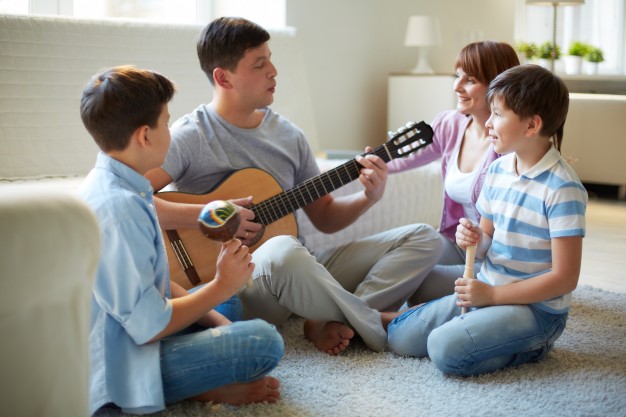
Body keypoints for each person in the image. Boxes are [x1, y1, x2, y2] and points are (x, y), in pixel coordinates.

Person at [145, 17, 442, 355]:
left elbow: (325, 217)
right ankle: (376, 322)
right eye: (260, 64)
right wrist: (213, 214)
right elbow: (132, 198)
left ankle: (331, 319)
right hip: (238, 284)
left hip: (300, 267)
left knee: (424, 237)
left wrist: (367, 198)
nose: (274, 71)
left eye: (271, 59)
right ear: (223, 77)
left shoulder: (288, 135)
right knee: (284, 250)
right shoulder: (191, 135)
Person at [78, 65, 284, 415]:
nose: (171, 132)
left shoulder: (119, 184)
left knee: (227, 310)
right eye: (166, 122)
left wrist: (220, 318)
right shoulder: (121, 210)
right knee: (263, 342)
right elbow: (148, 327)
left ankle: (203, 376)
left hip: (129, 328)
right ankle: (204, 388)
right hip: (122, 365)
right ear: (145, 136)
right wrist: (221, 284)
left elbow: (156, 283)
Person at [387, 64, 588, 377]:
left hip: (537, 311)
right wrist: (475, 240)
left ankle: (533, 346)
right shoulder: (498, 171)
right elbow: (485, 246)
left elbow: (565, 278)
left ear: (532, 125)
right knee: (400, 338)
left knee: (443, 349)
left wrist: (493, 296)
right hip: (491, 287)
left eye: (497, 114)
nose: (489, 123)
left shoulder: (562, 188)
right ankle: (476, 327)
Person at [387, 41, 520, 305]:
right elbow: (406, 159)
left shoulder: (511, 144)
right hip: (457, 244)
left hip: (497, 259)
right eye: (457, 76)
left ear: (497, 86)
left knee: (417, 286)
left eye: (469, 79)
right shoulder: (450, 124)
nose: (457, 86)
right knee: (397, 264)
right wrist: (373, 162)